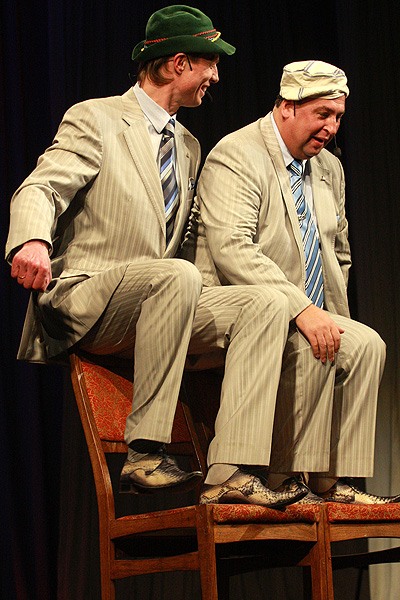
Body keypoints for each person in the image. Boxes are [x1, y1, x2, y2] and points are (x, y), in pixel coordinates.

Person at [5, 6, 308, 507]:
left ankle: (230, 470)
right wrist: (32, 241)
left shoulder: (187, 145)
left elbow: (185, 246)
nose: (216, 76)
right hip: (89, 296)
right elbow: (42, 186)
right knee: (176, 276)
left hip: (162, 302)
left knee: (265, 304)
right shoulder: (96, 118)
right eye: (210, 63)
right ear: (178, 63)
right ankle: (145, 453)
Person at [184, 59, 400, 504]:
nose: (331, 127)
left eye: (338, 116)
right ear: (287, 106)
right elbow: (232, 248)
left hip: (301, 310)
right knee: (313, 342)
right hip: (236, 309)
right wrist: (302, 309)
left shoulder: (329, 168)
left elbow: (338, 253)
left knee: (366, 344)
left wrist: (328, 316)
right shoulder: (237, 154)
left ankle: (332, 480)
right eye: (322, 114)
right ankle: (285, 478)